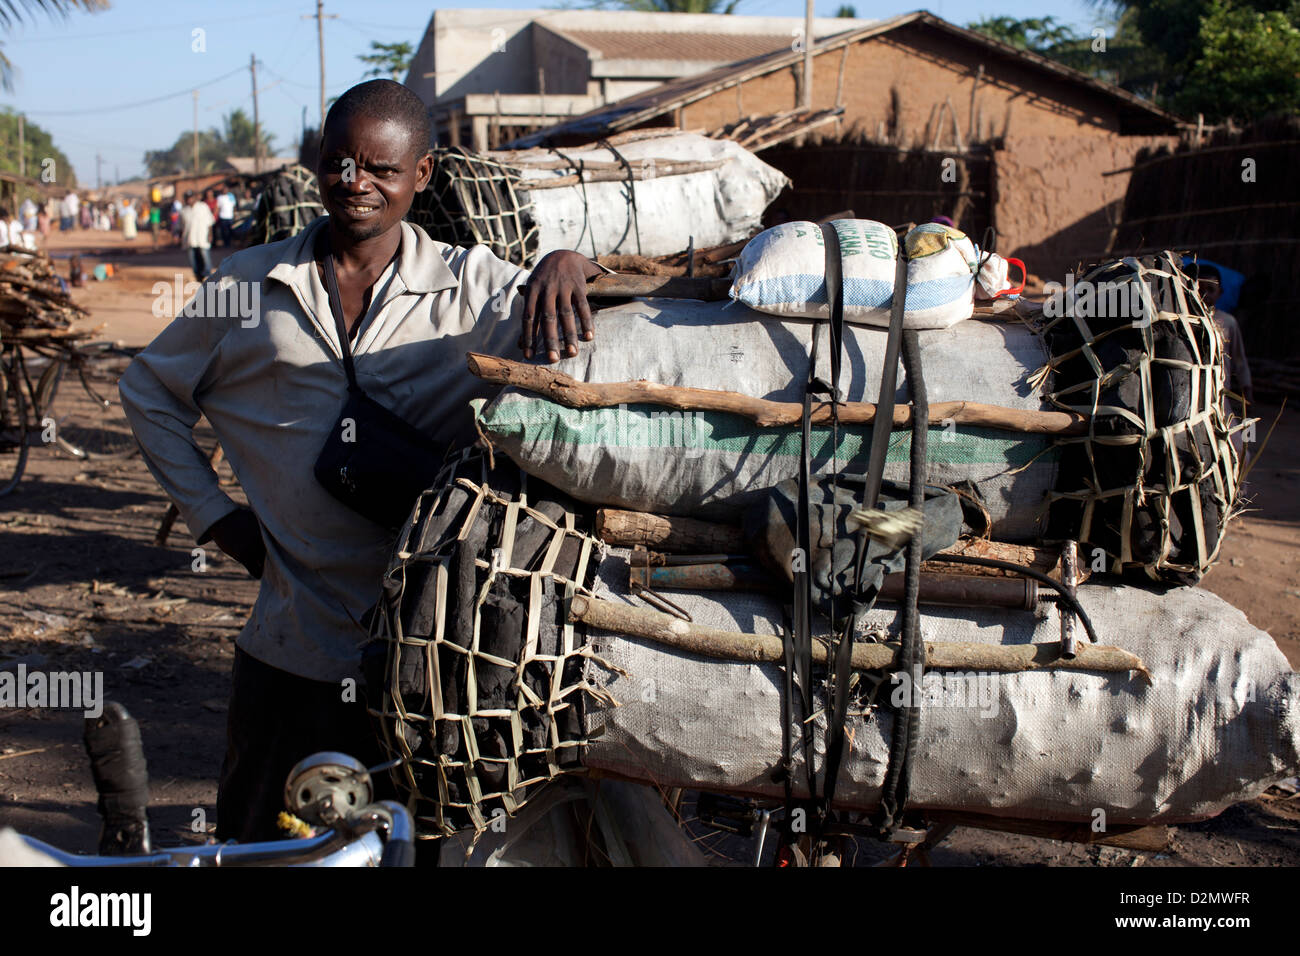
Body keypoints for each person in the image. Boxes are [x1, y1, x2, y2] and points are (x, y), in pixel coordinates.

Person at [119, 79, 602, 845]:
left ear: (424, 173)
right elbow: (147, 391)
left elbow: (582, 312)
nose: (357, 186)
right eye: (339, 164)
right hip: (292, 643)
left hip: (429, 653)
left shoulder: (474, 287)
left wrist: (571, 261)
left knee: (405, 841)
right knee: (264, 840)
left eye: (380, 169)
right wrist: (215, 518)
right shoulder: (248, 284)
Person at [178, 189, 215, 279]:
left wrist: (210, 234)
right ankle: (198, 276)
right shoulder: (183, 211)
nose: (189, 200)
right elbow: (181, 226)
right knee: (193, 259)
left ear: (194, 198)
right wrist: (179, 238)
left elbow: (210, 222)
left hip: (202, 237)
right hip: (190, 239)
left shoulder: (203, 207)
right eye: (187, 198)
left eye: (190, 198)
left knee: (205, 257)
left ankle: (207, 275)